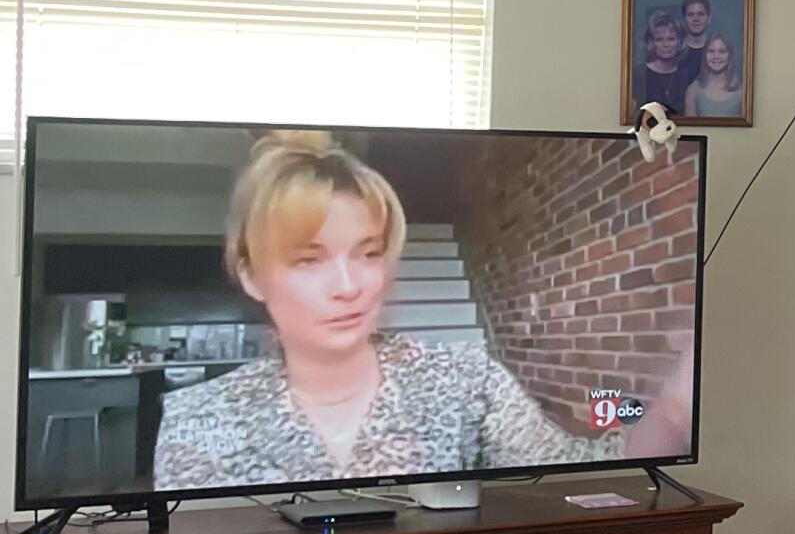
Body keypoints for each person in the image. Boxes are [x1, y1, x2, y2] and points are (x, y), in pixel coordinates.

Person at [152, 131, 693, 491]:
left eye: (368, 253)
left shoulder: (466, 381)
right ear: (250, 273)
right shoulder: (200, 421)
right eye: (309, 260)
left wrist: (672, 407)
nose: (349, 286)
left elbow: (585, 479)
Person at [636, 6, 696, 114]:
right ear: (651, 42)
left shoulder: (687, 76)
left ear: (680, 42)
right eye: (659, 39)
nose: (666, 45)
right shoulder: (638, 74)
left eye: (671, 39)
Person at [684, 33, 744, 119]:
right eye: (711, 51)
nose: (716, 56)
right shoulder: (693, 90)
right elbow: (691, 130)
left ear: (729, 55)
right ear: (705, 55)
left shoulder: (742, 91)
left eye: (722, 51)